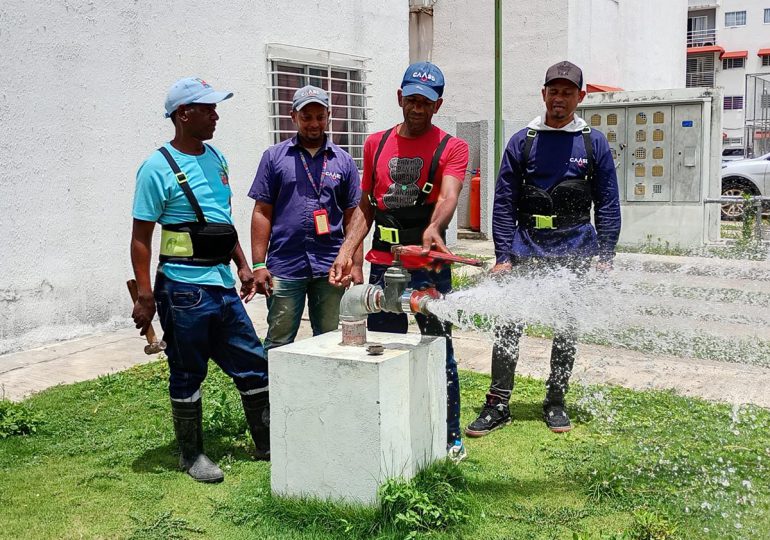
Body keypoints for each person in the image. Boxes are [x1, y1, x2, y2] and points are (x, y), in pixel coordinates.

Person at [465, 61, 621, 437]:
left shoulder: (592, 142)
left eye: (568, 92)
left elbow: (608, 203)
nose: (560, 98)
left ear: (581, 97)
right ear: (544, 94)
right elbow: (503, 202)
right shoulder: (523, 141)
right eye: (554, 90)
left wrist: (605, 254)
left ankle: (555, 401)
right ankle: (498, 402)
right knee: (509, 325)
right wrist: (503, 255)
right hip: (528, 247)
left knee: (566, 328)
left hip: (576, 251)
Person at [328, 62, 470, 462]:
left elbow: (448, 195)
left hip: (429, 265)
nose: (417, 107)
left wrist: (435, 227)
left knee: (438, 349)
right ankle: (386, 431)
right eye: (411, 99)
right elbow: (364, 207)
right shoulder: (375, 143)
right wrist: (346, 251)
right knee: (382, 347)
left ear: (438, 104)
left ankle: (448, 435)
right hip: (380, 262)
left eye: (425, 101)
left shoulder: (452, 147)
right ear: (399, 98)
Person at [131, 77, 270, 483]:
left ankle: (266, 443)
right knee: (188, 371)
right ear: (182, 114)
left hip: (222, 285)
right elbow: (141, 238)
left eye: (215, 107)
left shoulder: (217, 158)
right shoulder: (156, 167)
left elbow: (220, 223)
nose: (216, 115)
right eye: (207, 109)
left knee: (253, 362)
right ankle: (191, 456)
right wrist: (145, 295)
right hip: (182, 289)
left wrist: (242, 265)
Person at [248, 86, 361, 351]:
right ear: (293, 117)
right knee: (279, 340)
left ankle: (326, 392)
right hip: (285, 265)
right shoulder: (274, 158)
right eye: (306, 116)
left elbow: (353, 217)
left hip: (331, 266)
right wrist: (257, 264)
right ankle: (272, 392)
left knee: (330, 338)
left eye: (320, 116)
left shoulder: (343, 161)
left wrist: (355, 264)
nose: (314, 123)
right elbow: (262, 212)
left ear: (329, 116)